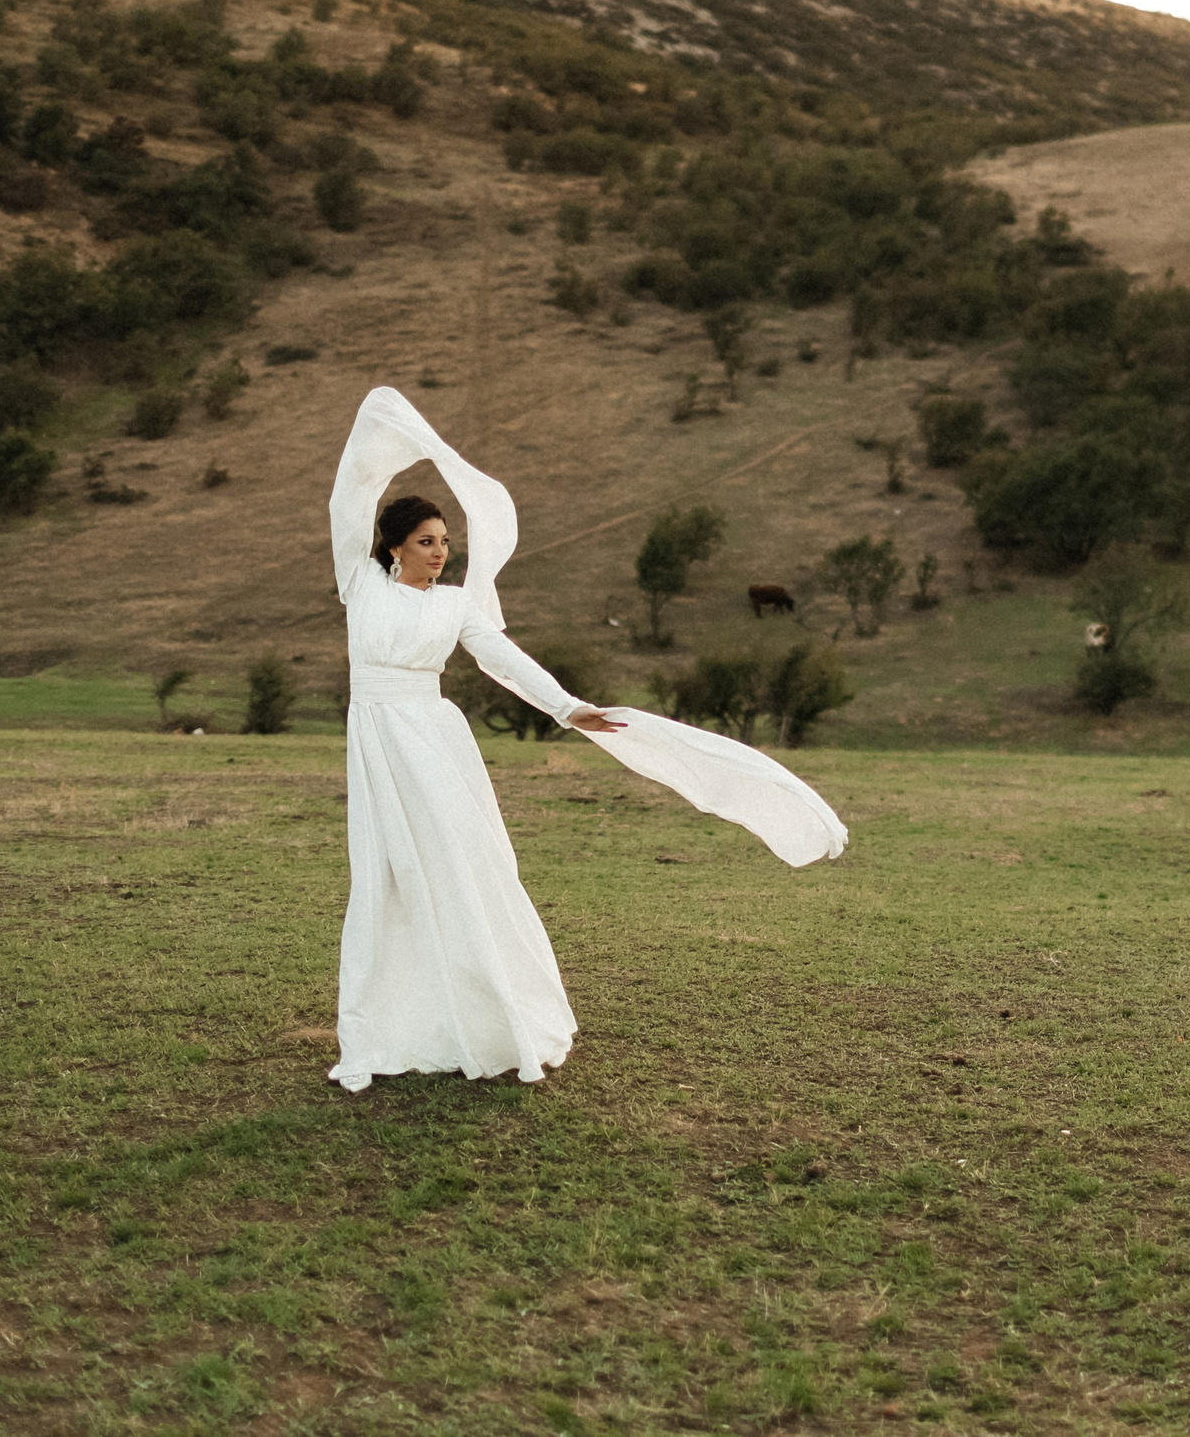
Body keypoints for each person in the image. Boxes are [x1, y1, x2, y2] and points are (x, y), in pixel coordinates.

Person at [328, 386, 846, 1093]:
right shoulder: (359, 580)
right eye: (428, 541)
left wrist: (569, 708)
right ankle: (392, 1023)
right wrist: (394, 429)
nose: (442, 552)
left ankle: (490, 1012)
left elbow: (504, 659)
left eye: (448, 542)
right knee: (387, 878)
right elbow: (348, 496)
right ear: (394, 546)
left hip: (433, 739)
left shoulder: (454, 604)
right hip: (377, 738)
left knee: (462, 865)